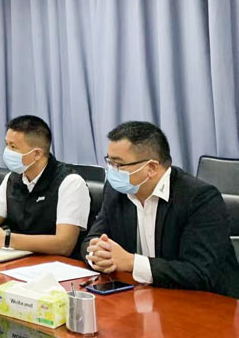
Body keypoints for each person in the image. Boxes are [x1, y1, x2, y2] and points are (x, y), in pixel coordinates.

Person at [82, 121, 239, 298]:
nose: (111, 171)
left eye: (118, 165)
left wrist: (132, 263)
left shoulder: (200, 199)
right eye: (109, 162)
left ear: (151, 168)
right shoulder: (116, 191)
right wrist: (98, 255)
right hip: (145, 296)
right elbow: (91, 240)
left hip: (206, 302)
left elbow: (200, 273)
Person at [0, 115, 90, 257]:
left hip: (55, 264)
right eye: (7, 144)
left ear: (37, 154)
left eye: (13, 147)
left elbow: (64, 245)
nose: (7, 151)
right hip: (15, 258)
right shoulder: (12, 179)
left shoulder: (70, 183)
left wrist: (6, 239)